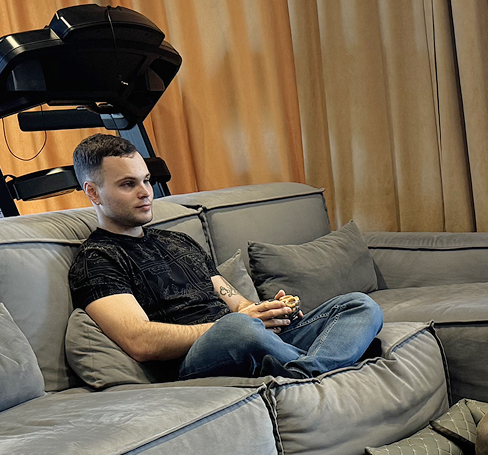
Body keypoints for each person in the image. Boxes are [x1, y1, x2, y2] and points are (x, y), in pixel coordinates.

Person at [67, 133, 382, 380]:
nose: (146, 192)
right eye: (128, 184)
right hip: (198, 356)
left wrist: (267, 312)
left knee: (358, 305)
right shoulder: (98, 258)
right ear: (92, 192)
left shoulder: (178, 241)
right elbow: (140, 341)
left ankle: (307, 369)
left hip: (246, 336)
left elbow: (237, 304)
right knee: (239, 329)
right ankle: (331, 361)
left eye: (146, 180)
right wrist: (238, 322)